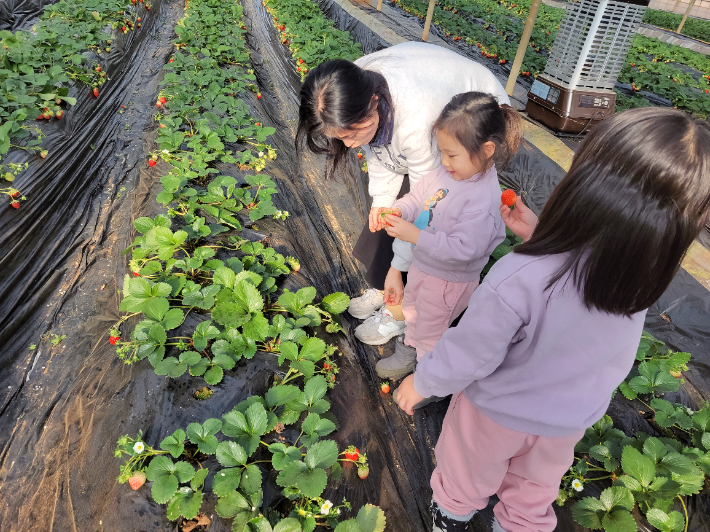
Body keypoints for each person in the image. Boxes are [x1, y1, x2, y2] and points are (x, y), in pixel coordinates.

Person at [393, 107, 710, 532]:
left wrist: (424, 381)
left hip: (494, 412)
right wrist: (539, 234)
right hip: (564, 424)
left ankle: (449, 516)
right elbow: (582, 279)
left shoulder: (520, 276)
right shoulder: (636, 287)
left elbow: (470, 351)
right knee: (531, 494)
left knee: (463, 474)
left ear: (584, 188)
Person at [297, 42, 510, 345]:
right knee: (391, 211)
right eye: (339, 137)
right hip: (426, 113)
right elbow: (381, 152)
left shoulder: (419, 120)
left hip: (471, 119)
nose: (347, 145)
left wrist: (399, 266)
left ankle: (400, 312)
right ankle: (386, 286)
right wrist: (382, 201)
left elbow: (428, 209)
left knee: (435, 214)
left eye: (351, 134)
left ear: (373, 103)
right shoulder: (346, 90)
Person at [371, 92, 520, 383]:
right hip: (424, 267)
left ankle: (429, 382)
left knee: (433, 332)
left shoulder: (482, 200)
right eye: (442, 152)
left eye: (452, 154)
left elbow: (463, 249)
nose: (445, 161)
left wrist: (414, 235)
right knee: (413, 312)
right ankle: (409, 351)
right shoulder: (445, 173)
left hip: (449, 283)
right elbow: (417, 197)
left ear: (487, 149)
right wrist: (398, 209)